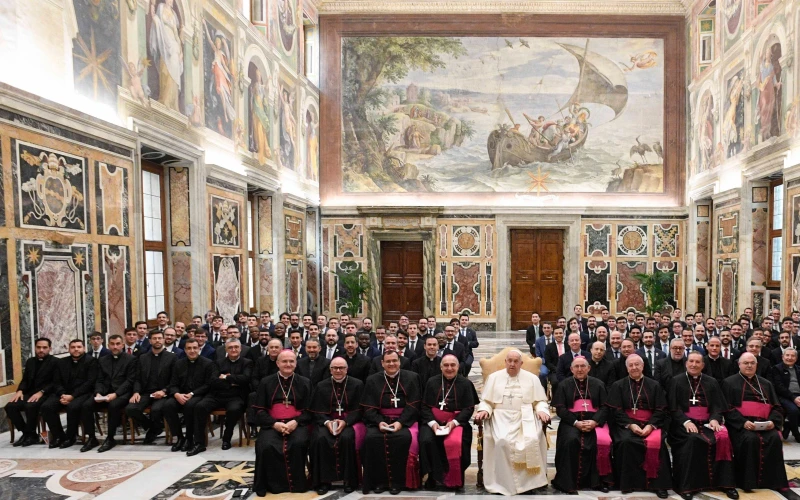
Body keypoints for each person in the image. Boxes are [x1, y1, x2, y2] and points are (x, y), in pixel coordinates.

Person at [474, 349, 550, 495]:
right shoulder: (494, 378)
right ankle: (501, 482)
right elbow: (487, 401)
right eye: (510, 361)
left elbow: (540, 401)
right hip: (500, 417)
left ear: (521, 363)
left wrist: (542, 410)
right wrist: (484, 410)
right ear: (505, 362)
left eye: (516, 361)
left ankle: (529, 483)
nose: (512, 364)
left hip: (525, 417)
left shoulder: (532, 379)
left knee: (532, 438)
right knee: (501, 441)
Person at [667, 352, 737, 500]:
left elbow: (718, 405)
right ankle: (688, 486)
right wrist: (686, 421)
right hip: (683, 424)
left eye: (697, 362)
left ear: (703, 365)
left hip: (708, 423)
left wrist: (715, 419)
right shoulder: (676, 381)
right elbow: (673, 408)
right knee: (693, 440)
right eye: (691, 361)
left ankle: (726, 484)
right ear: (686, 364)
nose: (694, 364)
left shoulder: (711, 382)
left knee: (723, 438)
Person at [606, 354, 671, 498]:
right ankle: (628, 483)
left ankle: (659, 485)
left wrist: (651, 425)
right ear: (626, 367)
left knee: (658, 444)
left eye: (637, 365)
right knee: (625, 442)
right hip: (627, 424)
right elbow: (616, 409)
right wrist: (630, 425)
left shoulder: (654, 384)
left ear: (643, 366)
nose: (634, 367)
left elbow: (661, 408)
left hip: (651, 423)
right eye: (631, 365)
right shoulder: (618, 385)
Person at [722, 352, 789, 492]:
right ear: (739, 364)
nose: (749, 366)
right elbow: (727, 407)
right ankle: (748, 482)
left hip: (765, 425)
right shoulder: (729, 382)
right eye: (746, 363)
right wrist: (742, 422)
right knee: (750, 439)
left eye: (752, 363)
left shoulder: (766, 383)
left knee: (774, 438)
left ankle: (773, 482)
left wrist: (772, 422)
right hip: (742, 426)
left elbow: (777, 407)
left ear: (757, 365)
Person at [361, 351, 422, 494]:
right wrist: (379, 422)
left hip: (404, 420)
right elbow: (368, 406)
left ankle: (398, 482)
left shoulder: (412, 378)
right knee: (371, 438)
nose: (391, 364)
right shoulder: (372, 380)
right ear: (382, 363)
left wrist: (400, 423)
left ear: (399, 362)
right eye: (388, 361)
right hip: (379, 421)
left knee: (403, 438)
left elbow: (414, 404)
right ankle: (379, 482)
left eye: (394, 361)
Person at [252, 350, 312, 495]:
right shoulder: (266, 382)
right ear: (277, 363)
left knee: (298, 443)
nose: (288, 364)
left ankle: (298, 484)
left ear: (296, 364)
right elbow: (259, 410)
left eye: (291, 361)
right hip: (272, 423)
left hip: (297, 423)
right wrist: (274, 424)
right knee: (266, 445)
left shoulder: (305, 382)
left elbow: (310, 410)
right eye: (284, 361)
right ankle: (270, 485)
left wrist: (296, 422)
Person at [551, 356, 612, 493]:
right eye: (576, 367)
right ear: (571, 369)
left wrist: (595, 421)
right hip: (571, 421)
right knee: (570, 441)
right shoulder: (564, 384)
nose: (580, 369)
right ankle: (568, 482)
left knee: (602, 441)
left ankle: (598, 481)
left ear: (588, 368)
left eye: (583, 366)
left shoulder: (598, 384)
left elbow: (605, 407)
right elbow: (560, 408)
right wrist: (575, 422)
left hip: (594, 420)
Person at [419, 355, 477, 490]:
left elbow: (468, 408)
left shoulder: (466, 383)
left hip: (456, 423)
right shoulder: (432, 382)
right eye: (446, 365)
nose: (449, 368)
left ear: (458, 367)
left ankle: (454, 479)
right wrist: (433, 423)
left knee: (458, 442)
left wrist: (454, 422)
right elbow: (425, 406)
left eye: (453, 365)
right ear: (441, 367)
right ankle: (433, 477)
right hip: (434, 422)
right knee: (426, 440)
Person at [308, 356, 365, 494]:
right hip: (326, 421)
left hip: (350, 422)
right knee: (320, 438)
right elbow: (315, 410)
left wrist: (345, 422)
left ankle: (349, 480)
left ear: (347, 369)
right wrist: (327, 422)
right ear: (330, 369)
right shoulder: (321, 386)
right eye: (335, 368)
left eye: (341, 368)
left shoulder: (357, 384)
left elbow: (360, 409)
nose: (338, 370)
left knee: (346, 438)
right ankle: (323, 481)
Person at [194, 338, 253, 451]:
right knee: (200, 407)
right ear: (226, 349)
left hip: (236, 396)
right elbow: (213, 380)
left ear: (240, 348)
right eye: (230, 347)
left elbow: (245, 379)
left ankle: (226, 439)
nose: (233, 349)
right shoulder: (218, 362)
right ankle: (199, 443)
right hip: (217, 394)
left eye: (236, 347)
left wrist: (226, 377)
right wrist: (233, 383)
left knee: (234, 409)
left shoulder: (247, 363)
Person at [163, 338, 218, 455]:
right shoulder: (179, 364)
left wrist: (192, 394)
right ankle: (179, 437)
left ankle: (191, 439)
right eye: (189, 348)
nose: (192, 351)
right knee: (168, 405)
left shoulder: (208, 363)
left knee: (191, 405)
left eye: (194, 348)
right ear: (185, 350)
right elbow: (173, 383)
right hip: (181, 394)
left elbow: (209, 384)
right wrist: (177, 394)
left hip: (199, 394)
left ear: (199, 349)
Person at [40, 339, 97, 449]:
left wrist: (72, 396)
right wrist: (62, 394)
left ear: (84, 348)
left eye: (79, 347)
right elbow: (57, 381)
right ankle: (59, 436)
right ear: (69, 349)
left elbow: (90, 382)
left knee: (73, 406)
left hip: (82, 393)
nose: (76, 349)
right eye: (73, 347)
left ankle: (71, 437)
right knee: (46, 407)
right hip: (63, 393)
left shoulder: (91, 361)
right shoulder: (62, 362)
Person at [84, 334, 135, 452]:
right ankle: (92, 438)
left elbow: (130, 381)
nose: (115, 347)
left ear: (122, 345)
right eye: (112, 344)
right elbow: (100, 380)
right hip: (104, 393)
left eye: (118, 344)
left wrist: (116, 394)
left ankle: (110, 438)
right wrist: (98, 393)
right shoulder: (102, 360)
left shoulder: (131, 359)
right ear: (108, 345)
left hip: (123, 393)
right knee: (86, 405)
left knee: (114, 405)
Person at [125, 330, 177, 445]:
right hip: (145, 392)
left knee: (156, 410)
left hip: (163, 394)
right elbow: (137, 378)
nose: (157, 340)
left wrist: (164, 391)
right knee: (131, 408)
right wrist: (136, 392)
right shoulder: (143, 357)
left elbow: (174, 380)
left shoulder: (172, 357)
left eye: (159, 338)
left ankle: (152, 431)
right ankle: (154, 428)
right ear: (150, 341)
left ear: (163, 340)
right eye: (154, 338)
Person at [5, 338, 57, 447]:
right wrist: (20, 390)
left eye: (44, 347)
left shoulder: (56, 362)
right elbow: (25, 380)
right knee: (10, 406)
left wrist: (41, 392)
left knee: (30, 406)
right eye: (38, 347)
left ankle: (29, 435)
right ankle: (28, 433)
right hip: (29, 393)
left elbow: (55, 382)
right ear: (35, 348)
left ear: (50, 348)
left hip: (47, 394)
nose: (41, 350)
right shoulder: (30, 362)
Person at [771, 347, 800, 441]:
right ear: (782, 357)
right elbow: (779, 387)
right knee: (794, 410)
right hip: (784, 396)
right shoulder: (776, 369)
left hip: (798, 396)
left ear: (796, 358)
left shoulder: (798, 369)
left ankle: (788, 425)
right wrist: (793, 398)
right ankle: (796, 433)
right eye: (787, 355)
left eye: (792, 356)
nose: (790, 358)